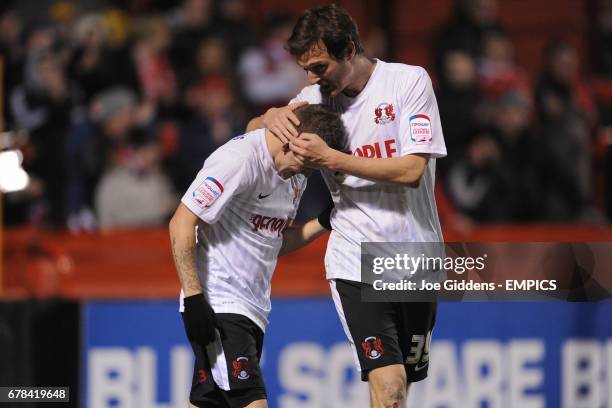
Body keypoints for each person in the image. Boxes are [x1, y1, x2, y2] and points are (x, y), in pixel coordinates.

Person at [247, 5, 447, 407]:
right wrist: (269, 117)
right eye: (304, 68)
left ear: (350, 49)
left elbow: (411, 170)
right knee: (388, 384)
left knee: (401, 386)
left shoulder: (407, 82)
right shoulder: (314, 98)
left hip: (415, 253)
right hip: (354, 258)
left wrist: (332, 159)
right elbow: (251, 136)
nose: (310, 78)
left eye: (319, 66)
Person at [169, 104, 346, 408]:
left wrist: (323, 221)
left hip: (253, 308)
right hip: (220, 304)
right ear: (295, 141)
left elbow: (275, 241)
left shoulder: (296, 174)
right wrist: (196, 299)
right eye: (308, 165)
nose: (305, 174)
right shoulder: (238, 161)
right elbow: (182, 221)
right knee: (252, 401)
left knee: (208, 401)